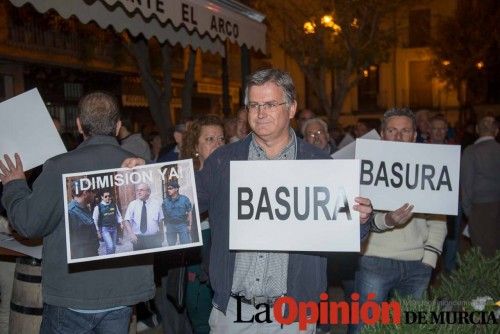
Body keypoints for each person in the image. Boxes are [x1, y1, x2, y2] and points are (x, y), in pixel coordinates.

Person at [196, 68, 373, 333]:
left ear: (291, 108)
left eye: (270, 104)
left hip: (293, 314)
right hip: (232, 312)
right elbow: (185, 203)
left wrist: (362, 219)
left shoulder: (320, 164)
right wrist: (142, 177)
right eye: (254, 105)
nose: (260, 113)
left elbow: (349, 232)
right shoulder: (223, 161)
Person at [0, 91, 155, 333]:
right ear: (117, 126)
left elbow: (28, 224)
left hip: (72, 299)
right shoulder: (142, 168)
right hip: (122, 299)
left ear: (80, 124)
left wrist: (14, 185)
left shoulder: (59, 166)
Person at [351, 108, 447, 333]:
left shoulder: (429, 166)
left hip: (416, 264)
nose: (398, 136)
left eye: (405, 131)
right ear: (382, 134)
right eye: (392, 130)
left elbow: (439, 219)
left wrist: (430, 259)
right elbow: (358, 214)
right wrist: (388, 219)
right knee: (365, 328)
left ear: (415, 135)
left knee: (412, 329)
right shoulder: (365, 166)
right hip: (374, 260)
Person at [181, 114, 225, 334]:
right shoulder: (183, 181)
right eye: (210, 139)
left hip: (221, 257)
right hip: (196, 258)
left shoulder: (233, 176)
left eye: (221, 139)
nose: (218, 145)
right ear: (195, 146)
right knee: (200, 321)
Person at [460, 116, 500, 257]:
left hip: (480, 208)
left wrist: (469, 213)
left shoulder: (471, 151)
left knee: (484, 255)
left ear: (477, 130)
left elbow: (466, 186)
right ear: (496, 131)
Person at [123, 182, 164, 251]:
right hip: (138, 239)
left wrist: (161, 234)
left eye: (141, 190)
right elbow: (127, 220)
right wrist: (131, 234)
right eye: (137, 190)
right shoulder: (133, 204)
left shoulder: (156, 204)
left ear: (148, 192)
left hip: (154, 238)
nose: (138, 192)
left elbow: (160, 221)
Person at [68, 180, 99, 259]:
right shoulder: (70, 213)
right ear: (85, 193)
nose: (94, 194)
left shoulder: (85, 208)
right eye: (92, 191)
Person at [162, 179, 192, 246]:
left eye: (170, 188)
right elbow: (163, 214)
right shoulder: (165, 201)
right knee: (171, 244)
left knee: (185, 243)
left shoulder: (184, 199)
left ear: (176, 189)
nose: (168, 190)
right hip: (170, 225)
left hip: (182, 225)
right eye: (168, 189)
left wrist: (190, 225)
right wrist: (166, 225)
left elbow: (189, 212)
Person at [92, 190, 123, 255]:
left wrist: (121, 223)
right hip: (105, 229)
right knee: (110, 246)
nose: (108, 198)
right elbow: (95, 220)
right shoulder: (98, 207)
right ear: (102, 197)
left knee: (113, 247)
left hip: (114, 229)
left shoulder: (114, 205)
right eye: (105, 196)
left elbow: (118, 215)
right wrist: (98, 231)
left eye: (109, 196)